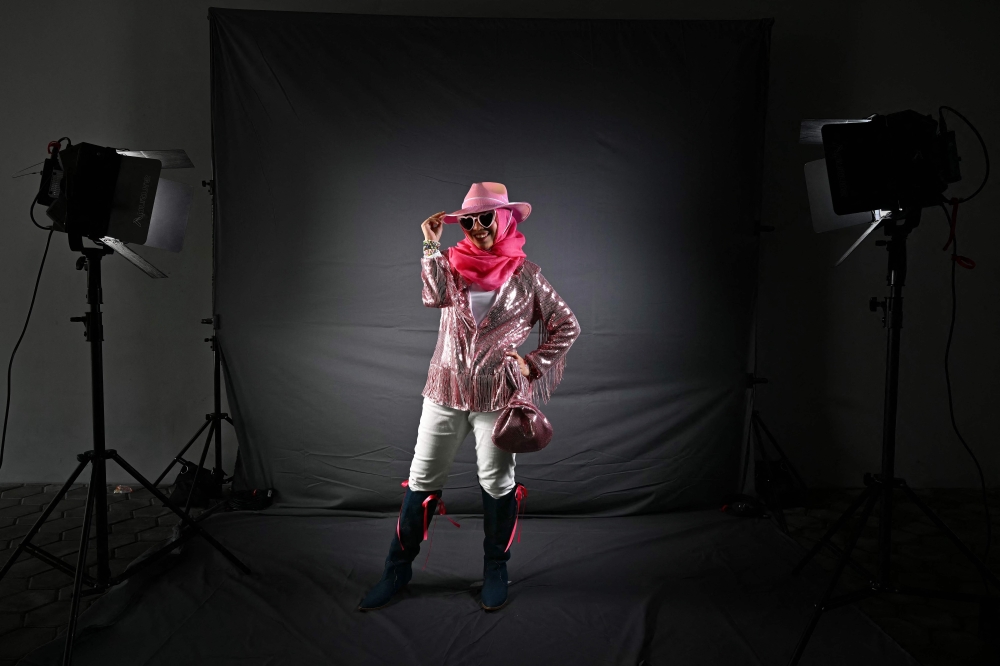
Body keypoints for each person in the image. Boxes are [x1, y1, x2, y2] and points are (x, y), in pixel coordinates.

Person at [358, 182, 580, 612]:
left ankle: (496, 568)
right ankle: (397, 569)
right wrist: (429, 245)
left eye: (485, 218)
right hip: (444, 391)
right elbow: (433, 296)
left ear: (505, 219)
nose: (477, 228)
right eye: (469, 220)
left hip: (497, 397)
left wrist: (532, 363)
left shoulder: (528, 275)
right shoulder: (451, 265)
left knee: (497, 483)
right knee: (422, 480)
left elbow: (566, 325)